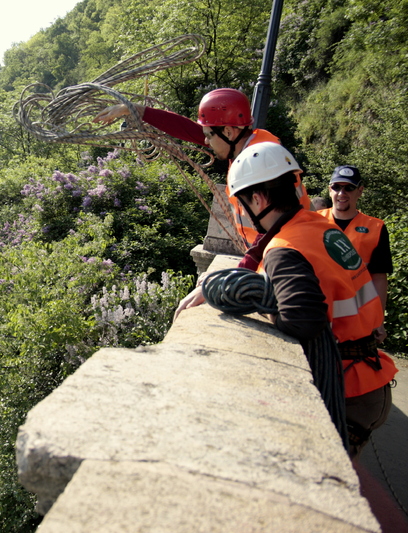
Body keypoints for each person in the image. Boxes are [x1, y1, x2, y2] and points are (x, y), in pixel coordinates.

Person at [225, 142, 398, 459]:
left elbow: (304, 320)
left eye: (243, 204)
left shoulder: (284, 249)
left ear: (259, 199)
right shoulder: (318, 225)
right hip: (368, 372)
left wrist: (269, 309)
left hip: (350, 388)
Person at [93, 88, 311, 250]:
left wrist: (248, 268)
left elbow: (277, 223)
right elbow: (190, 131)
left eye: (209, 135)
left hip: (284, 253)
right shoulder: (251, 147)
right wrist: (135, 110)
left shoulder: (257, 161)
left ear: (228, 131)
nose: (205, 142)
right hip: (278, 252)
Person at [316, 165, 392, 344]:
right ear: (329, 190)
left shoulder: (376, 228)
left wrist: (378, 320)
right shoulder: (313, 221)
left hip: (356, 318)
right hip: (316, 310)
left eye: (348, 187)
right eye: (336, 187)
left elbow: (379, 277)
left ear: (360, 191)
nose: (342, 193)